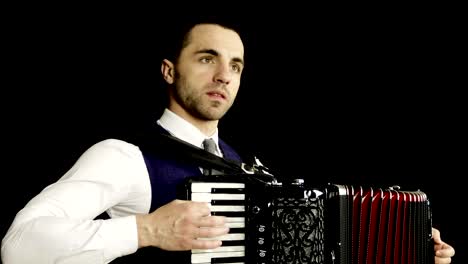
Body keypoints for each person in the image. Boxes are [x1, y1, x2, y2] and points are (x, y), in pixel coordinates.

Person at [1, 18, 455, 264]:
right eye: (207, 58)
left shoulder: (245, 168)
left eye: (236, 66)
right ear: (169, 70)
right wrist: (147, 231)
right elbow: (19, 245)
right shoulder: (123, 157)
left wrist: (405, 247)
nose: (224, 75)